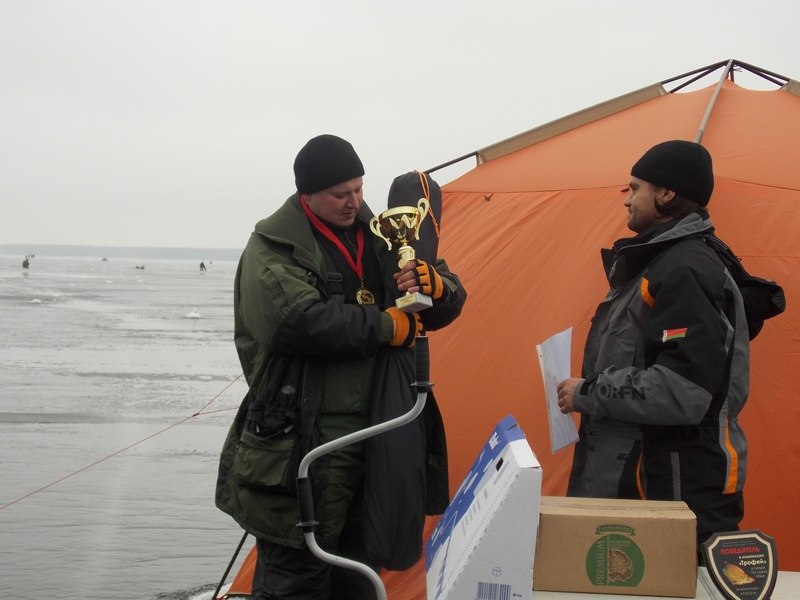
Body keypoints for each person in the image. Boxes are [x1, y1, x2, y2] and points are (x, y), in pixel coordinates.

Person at [218, 134, 466, 599]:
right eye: (340, 194)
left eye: (358, 189)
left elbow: (445, 300)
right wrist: (385, 326)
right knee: (296, 579)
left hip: (375, 439)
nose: (354, 201)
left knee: (360, 576)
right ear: (307, 194)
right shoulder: (272, 247)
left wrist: (438, 287)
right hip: (299, 448)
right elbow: (297, 320)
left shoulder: (383, 233)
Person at [557, 140, 750, 552]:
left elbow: (682, 392)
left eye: (635, 188)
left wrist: (587, 392)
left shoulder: (685, 269)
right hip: (642, 488)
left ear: (666, 193)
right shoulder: (657, 264)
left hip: (672, 497)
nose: (627, 200)